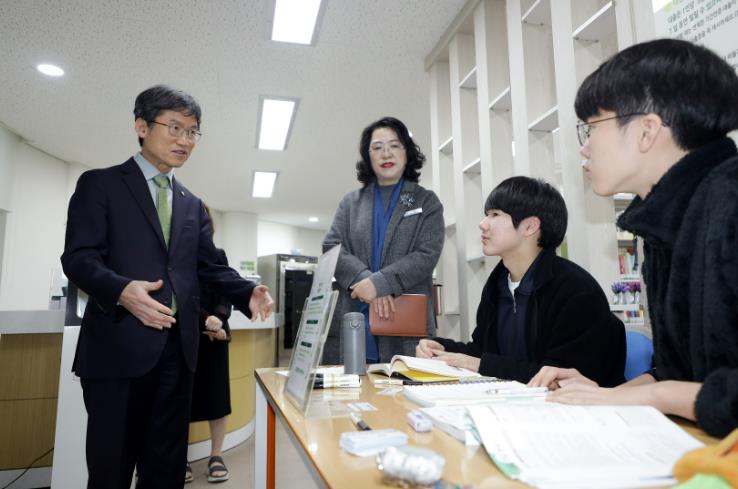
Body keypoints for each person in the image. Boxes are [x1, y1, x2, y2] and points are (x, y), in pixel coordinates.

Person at [61, 85, 273, 489]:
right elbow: (78, 258)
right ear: (142, 126)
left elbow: (209, 266)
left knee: (166, 472)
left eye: (193, 132)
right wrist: (122, 290)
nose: (185, 140)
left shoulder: (192, 204)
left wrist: (246, 292)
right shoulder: (100, 185)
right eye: (174, 127)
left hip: (178, 356)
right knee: (110, 472)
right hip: (117, 351)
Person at [528, 38, 738, 438]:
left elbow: (688, 390)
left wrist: (653, 397)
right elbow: (687, 377)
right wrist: (608, 394)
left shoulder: (729, 201)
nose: (585, 149)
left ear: (646, 131)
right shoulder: (663, 223)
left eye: (592, 128)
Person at [416, 176, 625, 386]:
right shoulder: (497, 283)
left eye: (495, 214)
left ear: (530, 227)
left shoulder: (576, 290)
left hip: (578, 411)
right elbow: (482, 352)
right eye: (486, 215)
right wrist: (441, 347)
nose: (482, 224)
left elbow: (558, 378)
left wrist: (480, 365)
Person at [322, 116, 444, 364]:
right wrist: (365, 282)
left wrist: (381, 283)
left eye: (394, 145)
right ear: (368, 157)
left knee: (404, 394)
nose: (386, 153)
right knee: (352, 394)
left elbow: (426, 254)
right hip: (355, 315)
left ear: (407, 153)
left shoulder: (426, 201)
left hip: (405, 324)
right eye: (377, 147)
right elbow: (331, 248)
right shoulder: (350, 203)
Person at [185, 205, 233, 484]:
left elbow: (226, 292)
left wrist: (220, 317)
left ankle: (216, 454)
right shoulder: (174, 255)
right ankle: (180, 456)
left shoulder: (218, 255)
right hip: (185, 334)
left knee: (217, 397)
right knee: (182, 399)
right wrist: (206, 319)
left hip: (216, 334)